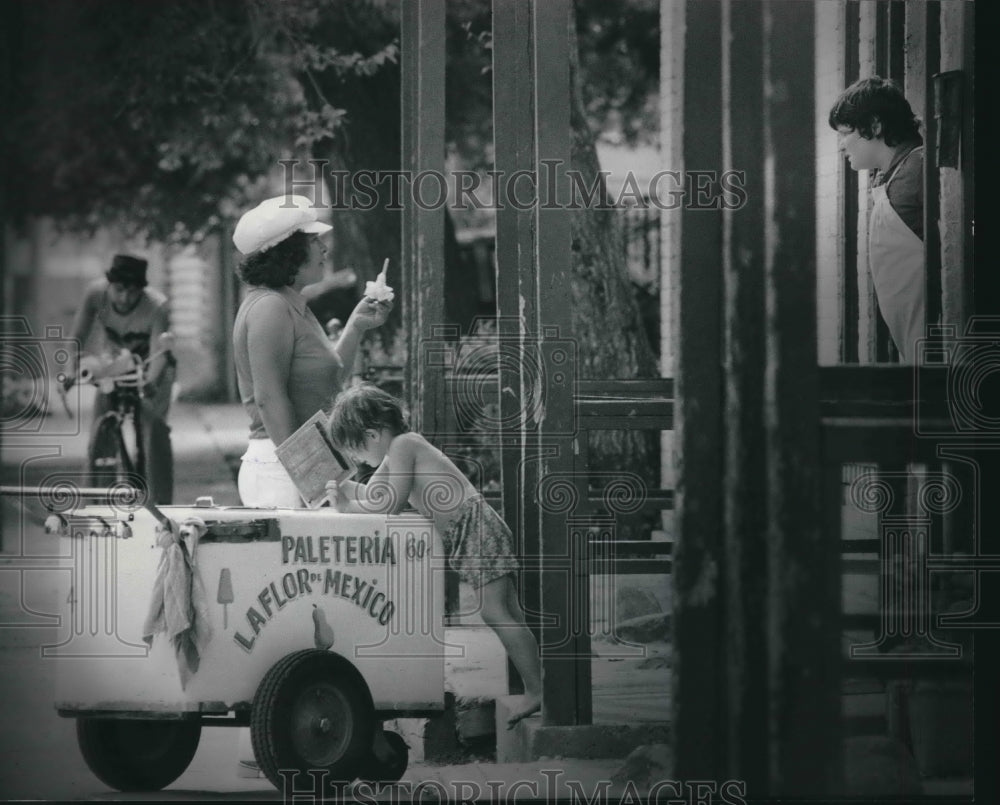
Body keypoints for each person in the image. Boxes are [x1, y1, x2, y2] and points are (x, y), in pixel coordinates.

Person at [324, 383, 543, 728]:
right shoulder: (398, 449)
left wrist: (347, 506)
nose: (356, 461)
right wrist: (346, 489)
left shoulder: (403, 446)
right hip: (473, 532)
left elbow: (392, 504)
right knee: (508, 612)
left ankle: (534, 691)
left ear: (372, 434)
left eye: (356, 451)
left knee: (496, 611)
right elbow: (375, 494)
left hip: (477, 529)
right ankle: (538, 684)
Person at [231, 194, 391, 507]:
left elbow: (328, 381)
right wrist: (311, 475)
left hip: (302, 460)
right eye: (314, 241)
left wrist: (355, 327)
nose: (324, 248)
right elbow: (269, 397)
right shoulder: (270, 308)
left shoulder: (291, 304)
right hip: (284, 468)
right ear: (288, 253)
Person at [64, 254, 175, 503]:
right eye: (119, 289)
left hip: (150, 365)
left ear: (142, 290)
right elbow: (75, 338)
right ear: (109, 285)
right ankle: (94, 501)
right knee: (99, 430)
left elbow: (161, 353)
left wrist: (150, 382)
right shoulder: (95, 294)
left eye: (133, 292)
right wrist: (71, 371)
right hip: (116, 363)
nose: (125, 298)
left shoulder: (157, 306)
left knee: (152, 430)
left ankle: (161, 505)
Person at [829, 76, 925, 363]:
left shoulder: (920, 170)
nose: (841, 146)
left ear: (874, 126)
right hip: (915, 347)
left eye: (845, 133)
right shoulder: (891, 176)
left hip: (946, 345)